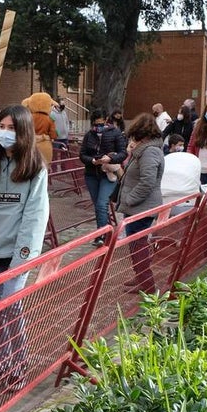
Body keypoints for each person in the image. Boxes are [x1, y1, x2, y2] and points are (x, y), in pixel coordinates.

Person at [0, 105, 49, 385]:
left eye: (12, 129)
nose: (5, 134)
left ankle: (19, 363)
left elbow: (34, 216)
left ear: (23, 132)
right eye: (2, 128)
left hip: (19, 253)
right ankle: (3, 361)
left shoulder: (34, 168)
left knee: (12, 306)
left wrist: (23, 256)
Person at [106, 113, 164, 292]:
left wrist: (130, 199)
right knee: (135, 245)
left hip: (141, 207)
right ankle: (141, 277)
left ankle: (147, 285)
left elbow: (147, 181)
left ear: (142, 134)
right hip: (137, 207)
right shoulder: (144, 150)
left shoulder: (150, 151)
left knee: (139, 247)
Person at [78, 110, 127, 242]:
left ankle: (102, 235)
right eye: (96, 124)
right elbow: (82, 154)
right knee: (98, 206)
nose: (99, 126)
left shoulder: (115, 132)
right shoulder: (89, 135)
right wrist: (92, 160)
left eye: (101, 123)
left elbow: (123, 153)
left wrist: (110, 158)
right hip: (92, 173)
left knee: (101, 204)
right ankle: (106, 230)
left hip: (108, 173)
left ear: (106, 120)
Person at [22, 91, 57, 164]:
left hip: (30, 144)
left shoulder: (28, 118)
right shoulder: (49, 119)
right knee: (44, 166)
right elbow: (53, 134)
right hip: (44, 145)